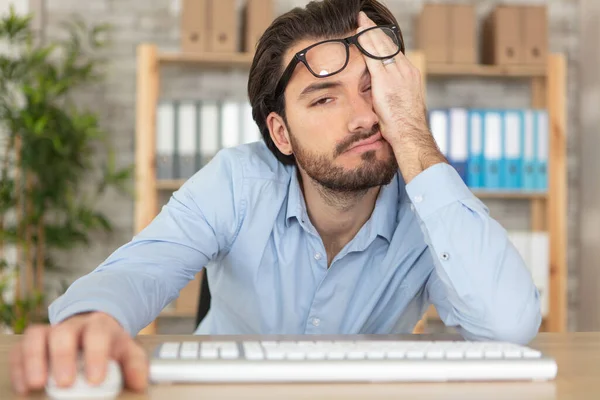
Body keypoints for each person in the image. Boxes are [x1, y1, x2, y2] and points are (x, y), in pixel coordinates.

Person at [9, 0, 542, 395]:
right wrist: (92, 319)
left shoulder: (432, 206)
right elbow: (142, 268)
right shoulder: (237, 182)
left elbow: (508, 326)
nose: (362, 116)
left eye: (372, 88)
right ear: (281, 134)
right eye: (324, 98)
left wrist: (411, 132)